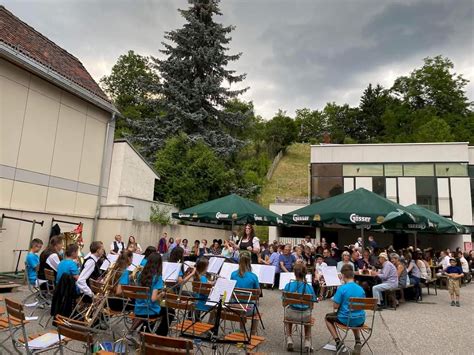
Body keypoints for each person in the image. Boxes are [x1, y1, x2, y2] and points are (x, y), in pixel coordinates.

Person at [325, 264, 366, 355]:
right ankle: (358, 341)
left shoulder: (342, 288)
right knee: (354, 314)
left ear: (343, 276)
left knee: (327, 318)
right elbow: (362, 305)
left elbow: (335, 306)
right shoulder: (361, 289)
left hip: (346, 319)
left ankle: (338, 343)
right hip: (360, 320)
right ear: (353, 275)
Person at [134, 252, 174, 335]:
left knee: (160, 309)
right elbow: (153, 299)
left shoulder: (140, 275)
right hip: (149, 311)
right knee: (170, 312)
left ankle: (144, 331)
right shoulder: (157, 277)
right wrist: (161, 294)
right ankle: (160, 335)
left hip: (138, 309)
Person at [282, 263, 317, 352]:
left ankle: (289, 339)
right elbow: (312, 306)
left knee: (289, 312)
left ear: (294, 273)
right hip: (305, 316)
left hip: (291, 315)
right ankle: (307, 341)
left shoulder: (288, 285)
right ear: (305, 273)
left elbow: (284, 304)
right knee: (308, 316)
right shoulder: (309, 287)